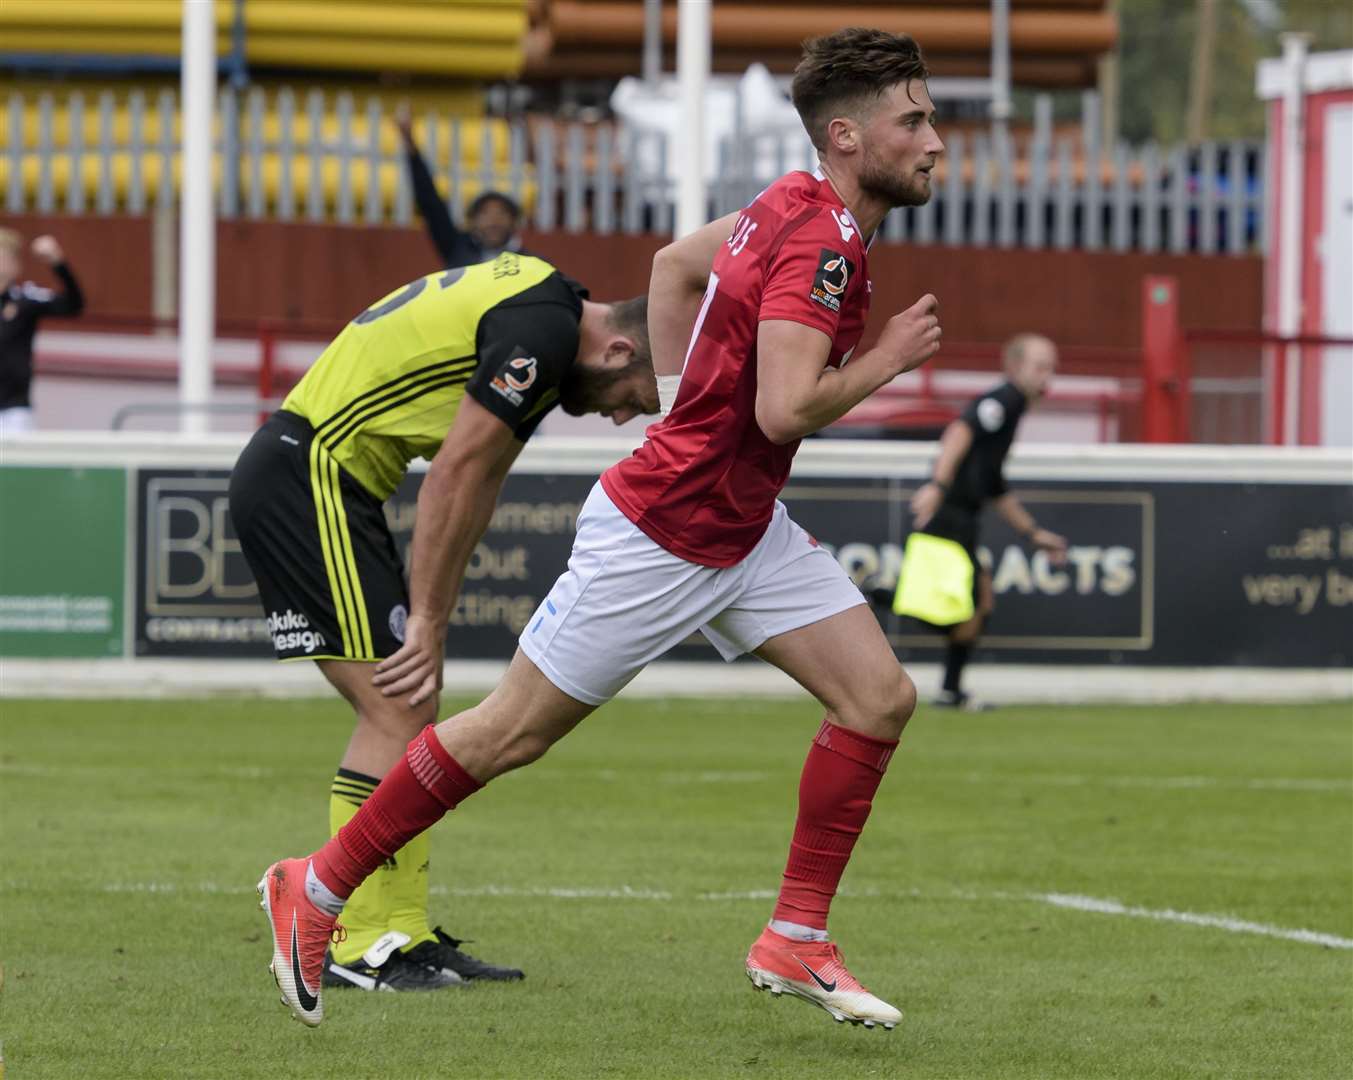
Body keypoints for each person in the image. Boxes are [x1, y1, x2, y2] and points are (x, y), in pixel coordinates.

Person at [258, 26, 943, 1030]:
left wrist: (675, 414)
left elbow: (671, 266)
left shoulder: (788, 203)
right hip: (664, 534)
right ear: (846, 136)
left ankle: (794, 936)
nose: (937, 140)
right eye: (914, 120)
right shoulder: (824, 242)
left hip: (740, 529)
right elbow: (783, 410)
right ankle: (314, 888)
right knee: (505, 733)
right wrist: (887, 359)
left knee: (879, 698)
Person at [231, 251, 657, 995]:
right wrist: (426, 617)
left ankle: (399, 934)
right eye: (634, 395)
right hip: (310, 471)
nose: (622, 414)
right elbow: (457, 471)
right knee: (395, 705)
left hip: (326, 476)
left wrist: (436, 617)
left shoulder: (541, 317)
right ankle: (357, 939)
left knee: (411, 707)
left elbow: (479, 483)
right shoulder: (542, 328)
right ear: (618, 348)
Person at [897, 333, 1068, 709]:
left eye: (1051, 367)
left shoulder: (1014, 408)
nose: (1048, 375)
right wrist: (939, 486)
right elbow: (959, 430)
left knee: (971, 602)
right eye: (1040, 366)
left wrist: (1033, 534)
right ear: (1014, 367)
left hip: (962, 516)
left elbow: (994, 487)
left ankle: (948, 687)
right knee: (970, 603)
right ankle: (881, 598)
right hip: (949, 514)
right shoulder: (1003, 400)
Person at [396, 108, 528, 269]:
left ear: (515, 221)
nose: (494, 221)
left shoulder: (530, 263)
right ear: (472, 221)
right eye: (485, 213)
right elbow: (430, 202)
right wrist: (410, 145)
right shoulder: (457, 248)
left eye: (502, 213)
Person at [0, 230, 84, 435]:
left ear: (15, 265)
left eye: (4, 257)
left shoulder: (26, 298)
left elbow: (73, 305)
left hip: (14, 410)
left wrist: (57, 261)